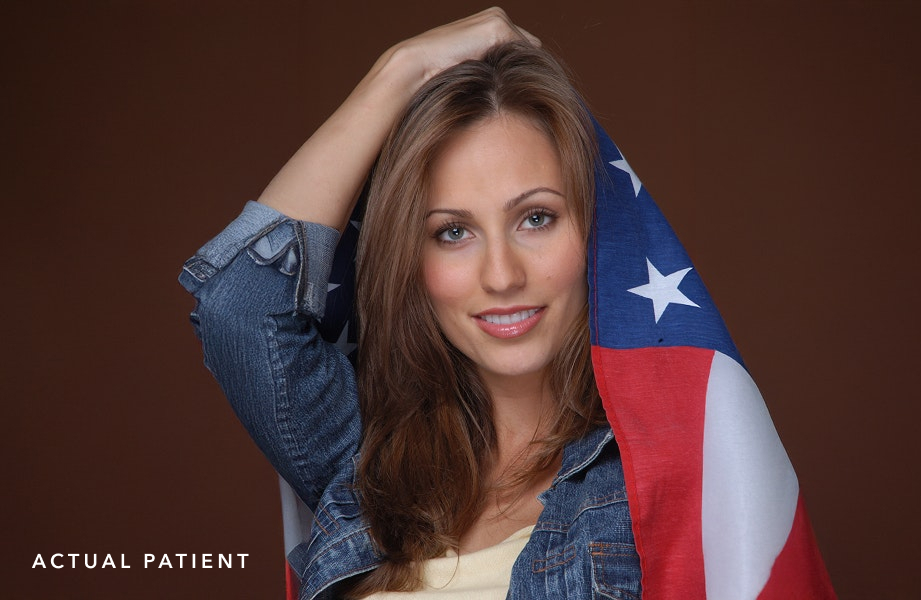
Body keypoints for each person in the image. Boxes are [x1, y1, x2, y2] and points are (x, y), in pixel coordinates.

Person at [180, 8, 640, 600]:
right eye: (453, 231)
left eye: (536, 218)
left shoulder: (659, 478)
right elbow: (238, 308)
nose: (502, 276)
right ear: (412, 261)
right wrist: (401, 70)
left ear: (595, 232)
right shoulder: (366, 464)